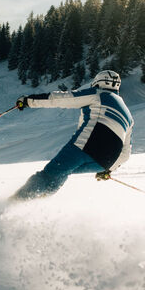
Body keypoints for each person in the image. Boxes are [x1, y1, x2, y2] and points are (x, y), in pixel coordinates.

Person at [11, 70, 134, 200]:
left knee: (50, 174)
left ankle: (13, 203)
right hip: (105, 162)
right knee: (62, 172)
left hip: (87, 146)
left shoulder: (99, 94)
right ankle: (33, 202)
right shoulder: (129, 116)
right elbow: (125, 153)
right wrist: (108, 170)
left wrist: (28, 101)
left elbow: (62, 98)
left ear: (97, 83)